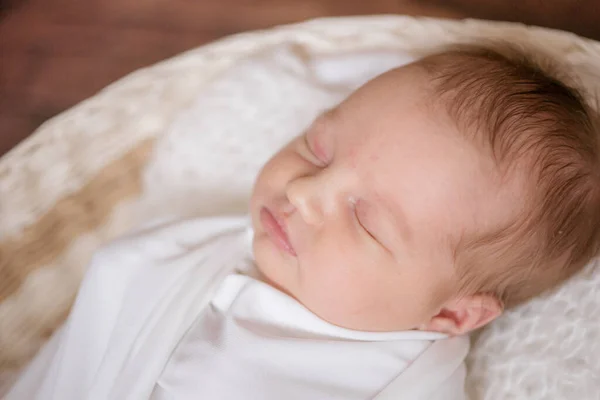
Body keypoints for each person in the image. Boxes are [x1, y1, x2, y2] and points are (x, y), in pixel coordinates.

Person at [7, 44, 600, 400]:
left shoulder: (387, 383)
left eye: (365, 221)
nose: (304, 190)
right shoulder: (225, 242)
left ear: (450, 314)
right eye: (317, 147)